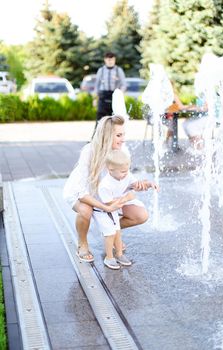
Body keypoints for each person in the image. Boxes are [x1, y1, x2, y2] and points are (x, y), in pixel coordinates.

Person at [63, 115, 155, 263]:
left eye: (123, 135)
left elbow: (124, 177)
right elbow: (80, 192)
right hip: (82, 193)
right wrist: (105, 207)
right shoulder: (89, 151)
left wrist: (137, 184)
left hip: (105, 194)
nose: (123, 139)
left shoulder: (120, 149)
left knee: (141, 215)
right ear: (106, 136)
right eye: (119, 135)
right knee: (87, 210)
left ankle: (109, 233)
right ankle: (82, 243)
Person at [93, 149, 157, 270]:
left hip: (113, 209)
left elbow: (135, 184)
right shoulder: (105, 185)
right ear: (110, 170)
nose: (126, 173)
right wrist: (127, 198)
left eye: (127, 170)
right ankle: (109, 257)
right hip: (103, 211)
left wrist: (148, 184)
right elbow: (109, 205)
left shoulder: (126, 175)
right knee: (110, 232)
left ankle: (119, 255)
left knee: (117, 231)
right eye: (123, 171)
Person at [94, 52, 126, 123]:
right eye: (109, 60)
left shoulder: (119, 70)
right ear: (105, 60)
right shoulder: (101, 70)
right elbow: (97, 85)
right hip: (103, 96)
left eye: (112, 60)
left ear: (115, 60)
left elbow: (123, 84)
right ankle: (98, 133)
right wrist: (95, 98)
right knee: (100, 119)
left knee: (114, 118)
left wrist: (120, 94)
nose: (110, 61)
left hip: (114, 96)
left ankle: (113, 133)